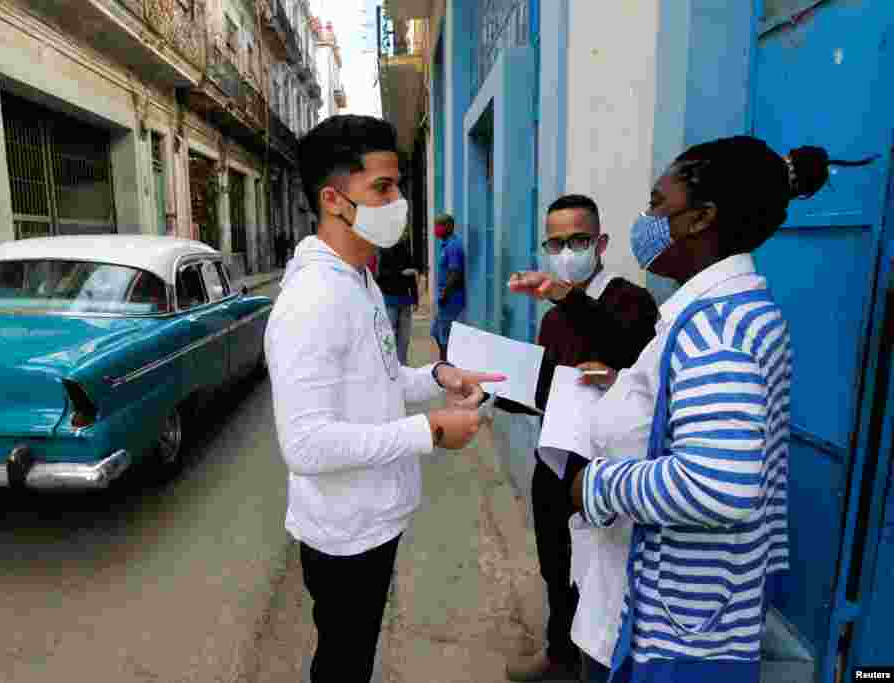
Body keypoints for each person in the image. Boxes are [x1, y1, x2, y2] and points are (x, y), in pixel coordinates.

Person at [568, 137, 863, 683]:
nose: (647, 219)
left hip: (676, 632)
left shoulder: (714, 329)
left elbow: (718, 485)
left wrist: (596, 485)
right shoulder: (727, 314)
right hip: (702, 612)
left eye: (658, 204)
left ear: (701, 218)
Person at [265, 114, 506, 683]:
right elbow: (305, 443)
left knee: (355, 655)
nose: (398, 200)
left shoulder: (359, 278)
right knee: (344, 663)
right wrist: (430, 432)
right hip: (345, 534)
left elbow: (382, 376)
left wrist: (438, 377)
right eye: (382, 187)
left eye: (398, 185)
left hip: (375, 517)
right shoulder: (312, 300)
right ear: (333, 199)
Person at [501, 194, 659, 682]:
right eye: (556, 243)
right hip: (555, 459)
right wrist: (493, 387)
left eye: (578, 240)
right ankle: (559, 655)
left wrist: (565, 297)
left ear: (601, 243)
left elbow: (623, 345)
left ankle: (595, 666)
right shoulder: (553, 318)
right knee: (555, 562)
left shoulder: (629, 300)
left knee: (599, 572)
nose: (566, 251)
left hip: (605, 469)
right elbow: (546, 385)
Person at [377, 231, 419, 365]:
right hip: (390, 300)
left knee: (405, 336)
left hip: (405, 300)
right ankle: (390, 364)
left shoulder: (405, 250)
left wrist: (415, 298)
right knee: (390, 334)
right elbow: (380, 276)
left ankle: (402, 364)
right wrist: (401, 274)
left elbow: (411, 274)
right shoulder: (383, 251)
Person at [431, 213, 465, 361]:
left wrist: (445, 294)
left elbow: (455, 273)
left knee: (444, 335)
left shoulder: (453, 246)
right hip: (446, 297)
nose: (437, 229)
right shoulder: (446, 245)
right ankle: (445, 361)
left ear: (450, 227)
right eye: (436, 225)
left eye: (440, 225)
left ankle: (446, 365)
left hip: (451, 298)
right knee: (436, 332)